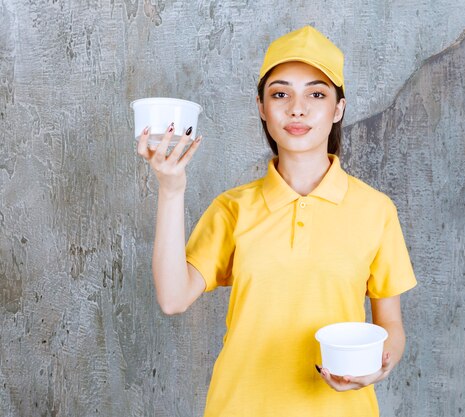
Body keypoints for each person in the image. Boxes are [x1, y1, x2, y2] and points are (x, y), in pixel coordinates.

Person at [137, 25, 417, 417]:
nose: (296, 108)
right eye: (280, 94)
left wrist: (378, 367)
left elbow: (392, 328)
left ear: (338, 108)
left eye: (316, 94)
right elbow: (172, 297)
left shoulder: (376, 210)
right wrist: (170, 188)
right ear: (261, 107)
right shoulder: (233, 208)